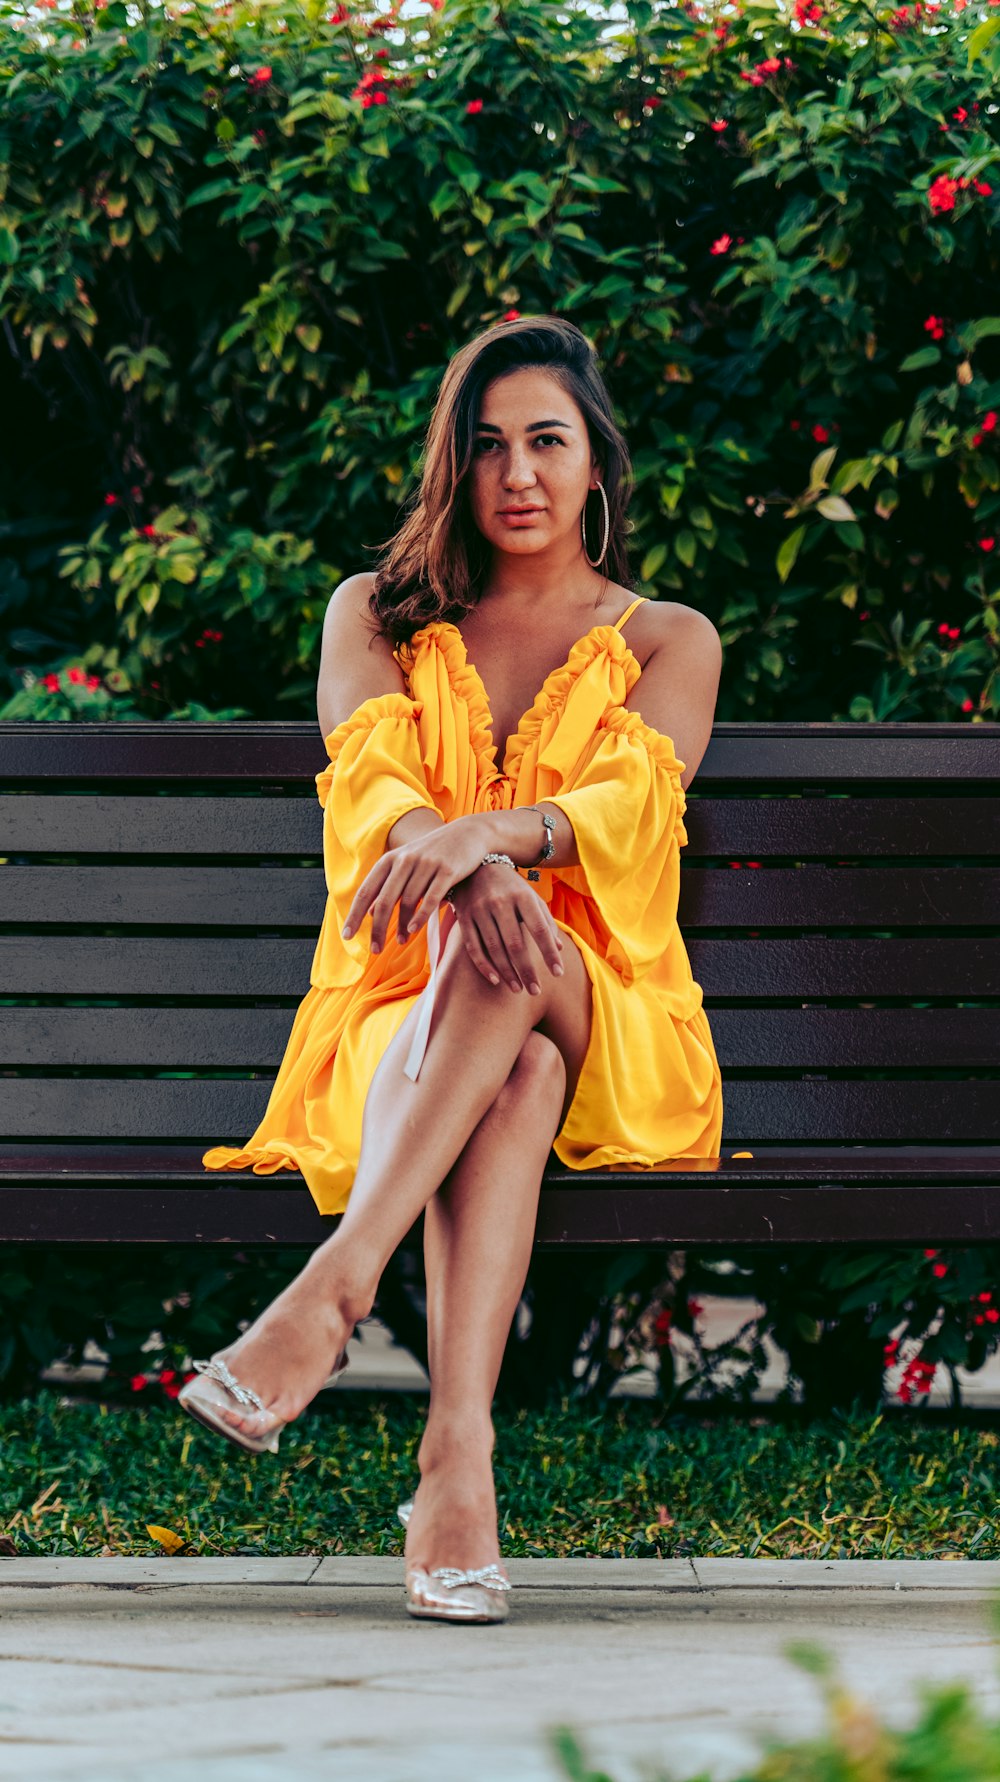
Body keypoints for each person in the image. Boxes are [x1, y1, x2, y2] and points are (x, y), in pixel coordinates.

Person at [184, 314, 724, 1623]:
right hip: (398, 1021)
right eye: (487, 447)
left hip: (608, 1010)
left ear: (597, 462)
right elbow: (371, 782)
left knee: (528, 970)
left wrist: (503, 837)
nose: (519, 474)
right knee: (508, 1042)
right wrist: (473, 864)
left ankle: (331, 1292)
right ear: (453, 468)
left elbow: (630, 807)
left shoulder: (667, 639)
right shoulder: (374, 616)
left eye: (547, 441)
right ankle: (456, 1464)